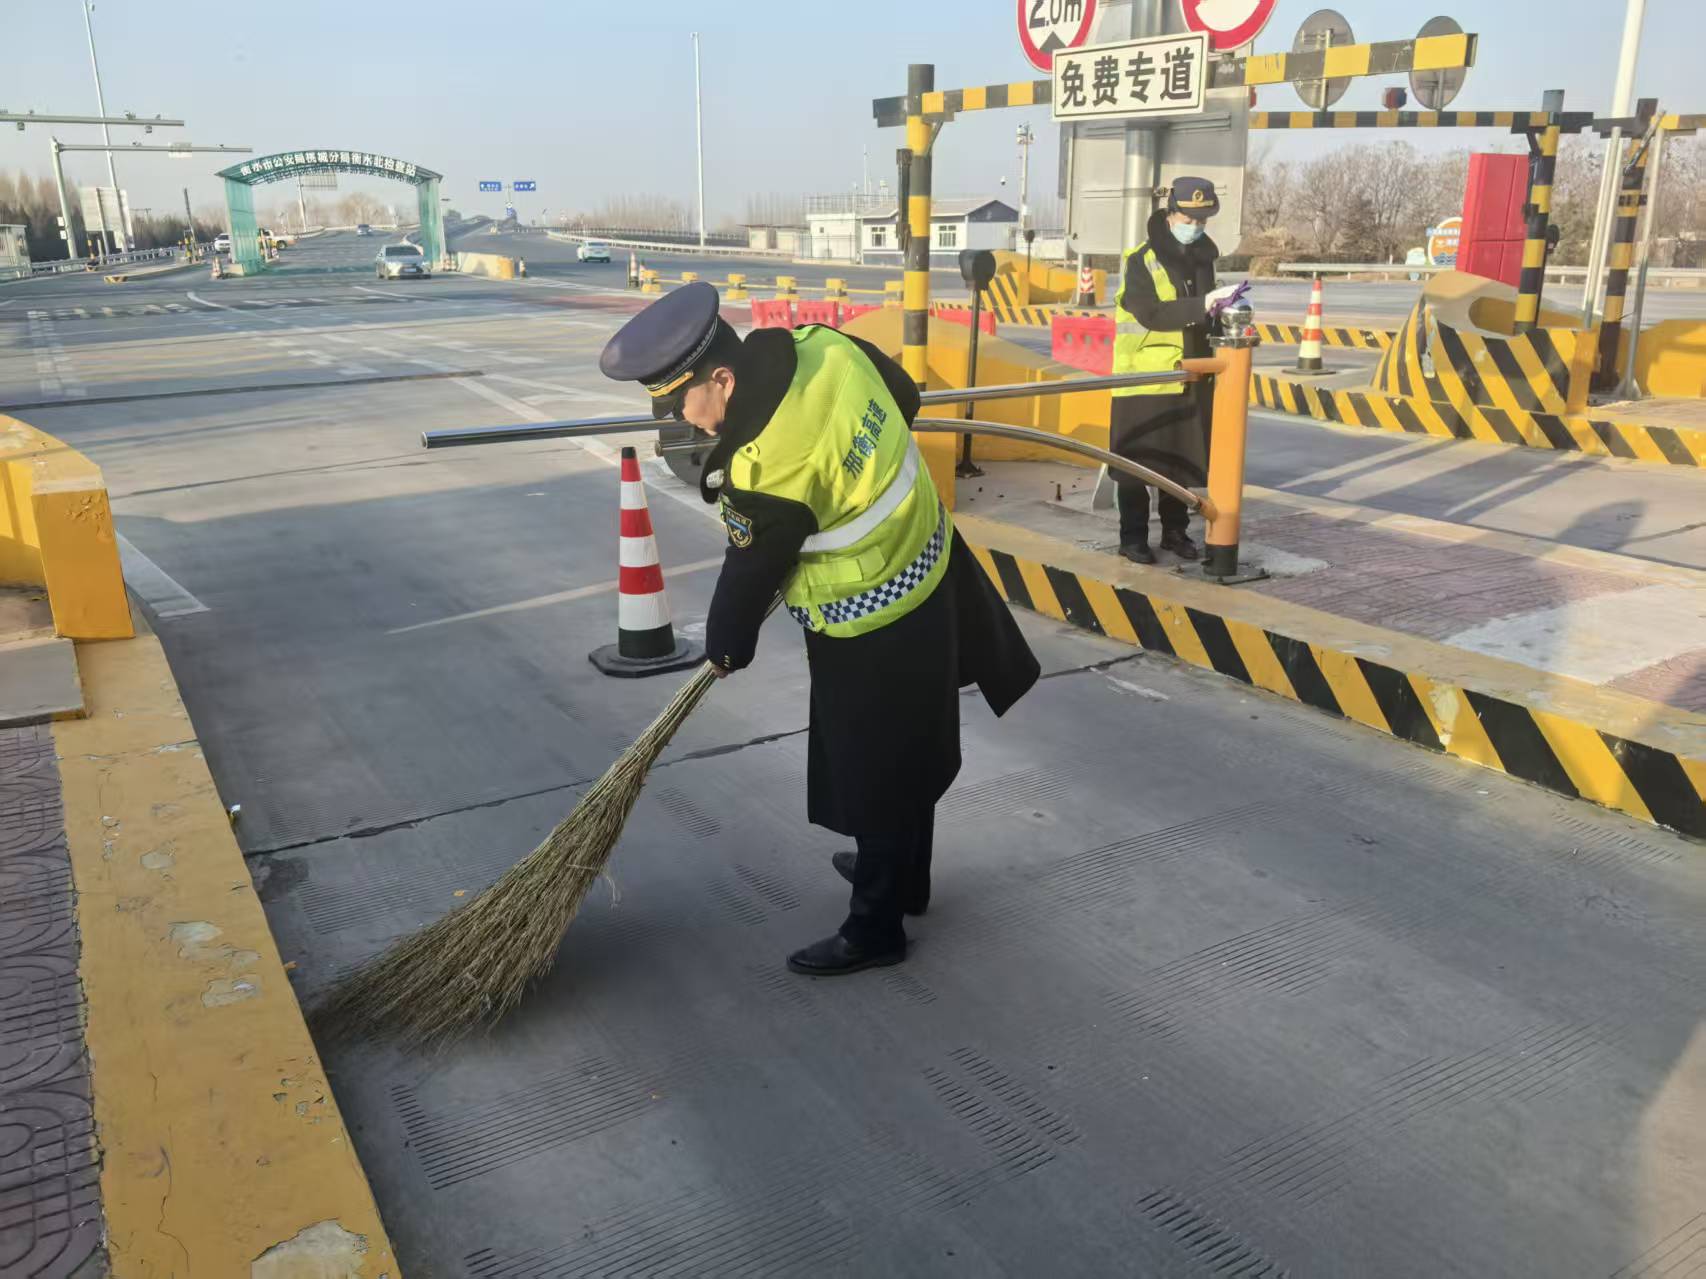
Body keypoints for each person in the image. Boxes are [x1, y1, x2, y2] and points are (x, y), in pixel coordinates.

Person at [600, 283, 1039, 976]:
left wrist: (725, 648)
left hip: (870, 619)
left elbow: (750, 573)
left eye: (681, 402)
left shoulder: (767, 464)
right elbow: (904, 395)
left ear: (722, 378)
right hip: (932, 570)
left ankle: (875, 927)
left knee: (874, 772)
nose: (682, 419)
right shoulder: (824, 347)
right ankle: (905, 876)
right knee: (912, 746)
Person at [1110, 176, 1245, 565]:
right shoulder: (1141, 259)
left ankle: (1175, 532)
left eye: (1202, 220)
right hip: (1145, 378)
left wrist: (1226, 311)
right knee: (1136, 464)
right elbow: (1149, 313)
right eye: (1189, 219)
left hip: (1192, 373)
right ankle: (1132, 538)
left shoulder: (1203, 258)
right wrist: (1203, 304)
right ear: (1170, 214)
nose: (1196, 227)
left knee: (1179, 462)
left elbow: (1204, 315)